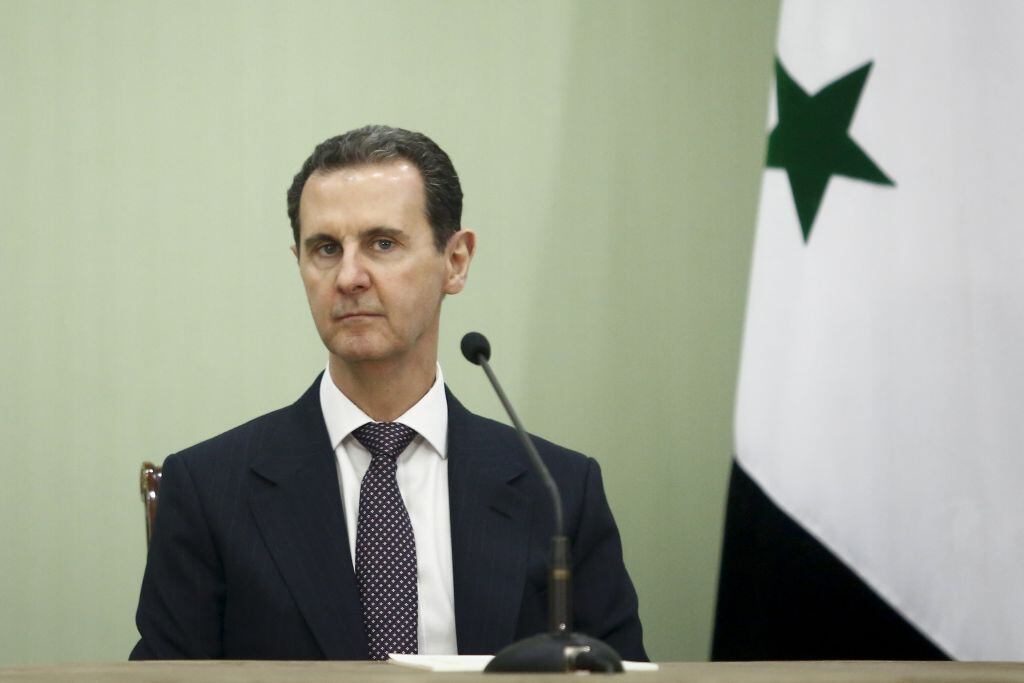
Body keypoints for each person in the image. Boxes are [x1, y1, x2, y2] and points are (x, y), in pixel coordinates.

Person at [130, 125, 646, 661]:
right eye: (326, 248)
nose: (350, 276)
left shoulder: (558, 492)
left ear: (456, 261)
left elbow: (617, 674)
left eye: (383, 243)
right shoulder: (210, 490)